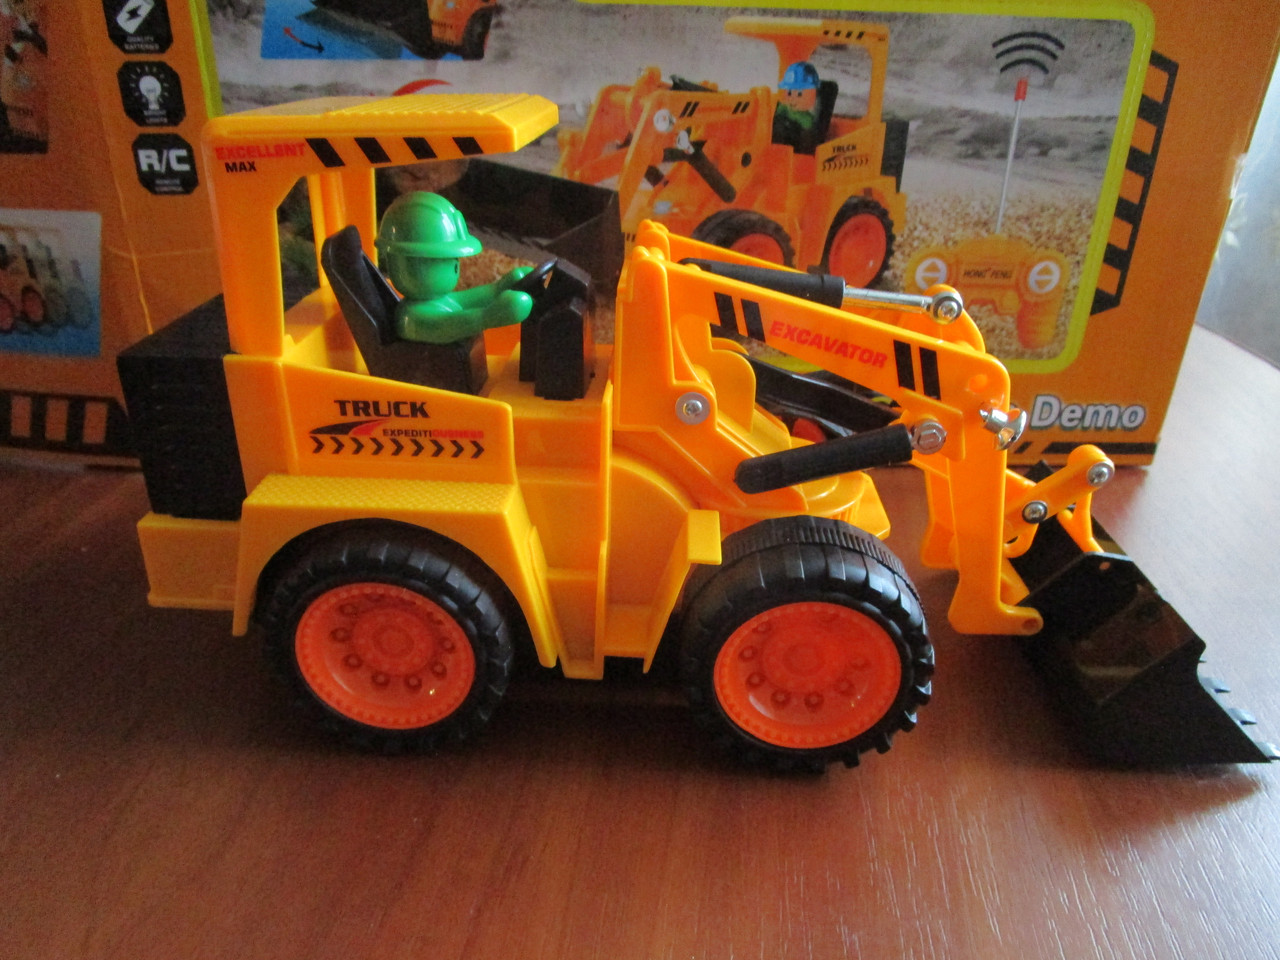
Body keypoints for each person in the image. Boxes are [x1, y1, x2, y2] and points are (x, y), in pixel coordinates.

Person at [375, 191, 533, 345]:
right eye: (444, 261)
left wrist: (502, 286)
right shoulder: (412, 317)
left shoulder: (441, 300)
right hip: (443, 363)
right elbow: (449, 324)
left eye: (454, 260)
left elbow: (471, 299)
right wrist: (490, 316)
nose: (455, 268)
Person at [772, 60, 822, 148]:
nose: (792, 99)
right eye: (789, 93)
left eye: (799, 94)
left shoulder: (807, 120)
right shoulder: (784, 108)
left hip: (792, 147)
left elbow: (806, 143)